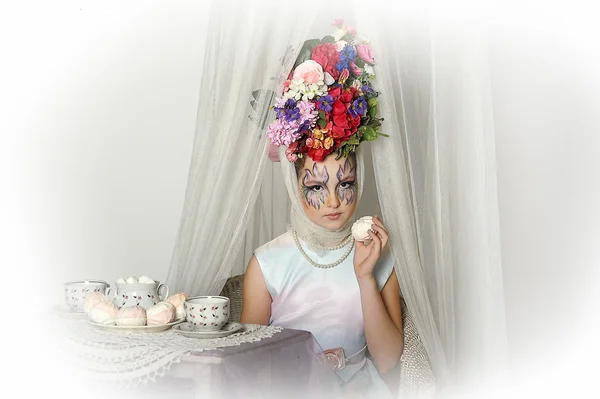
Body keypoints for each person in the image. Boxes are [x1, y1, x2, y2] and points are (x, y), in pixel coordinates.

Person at [240, 20, 404, 397]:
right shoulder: (267, 263)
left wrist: (365, 277)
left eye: (345, 184)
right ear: (293, 186)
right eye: (315, 187)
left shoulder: (379, 256)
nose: (333, 201)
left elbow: (388, 361)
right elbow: (247, 367)